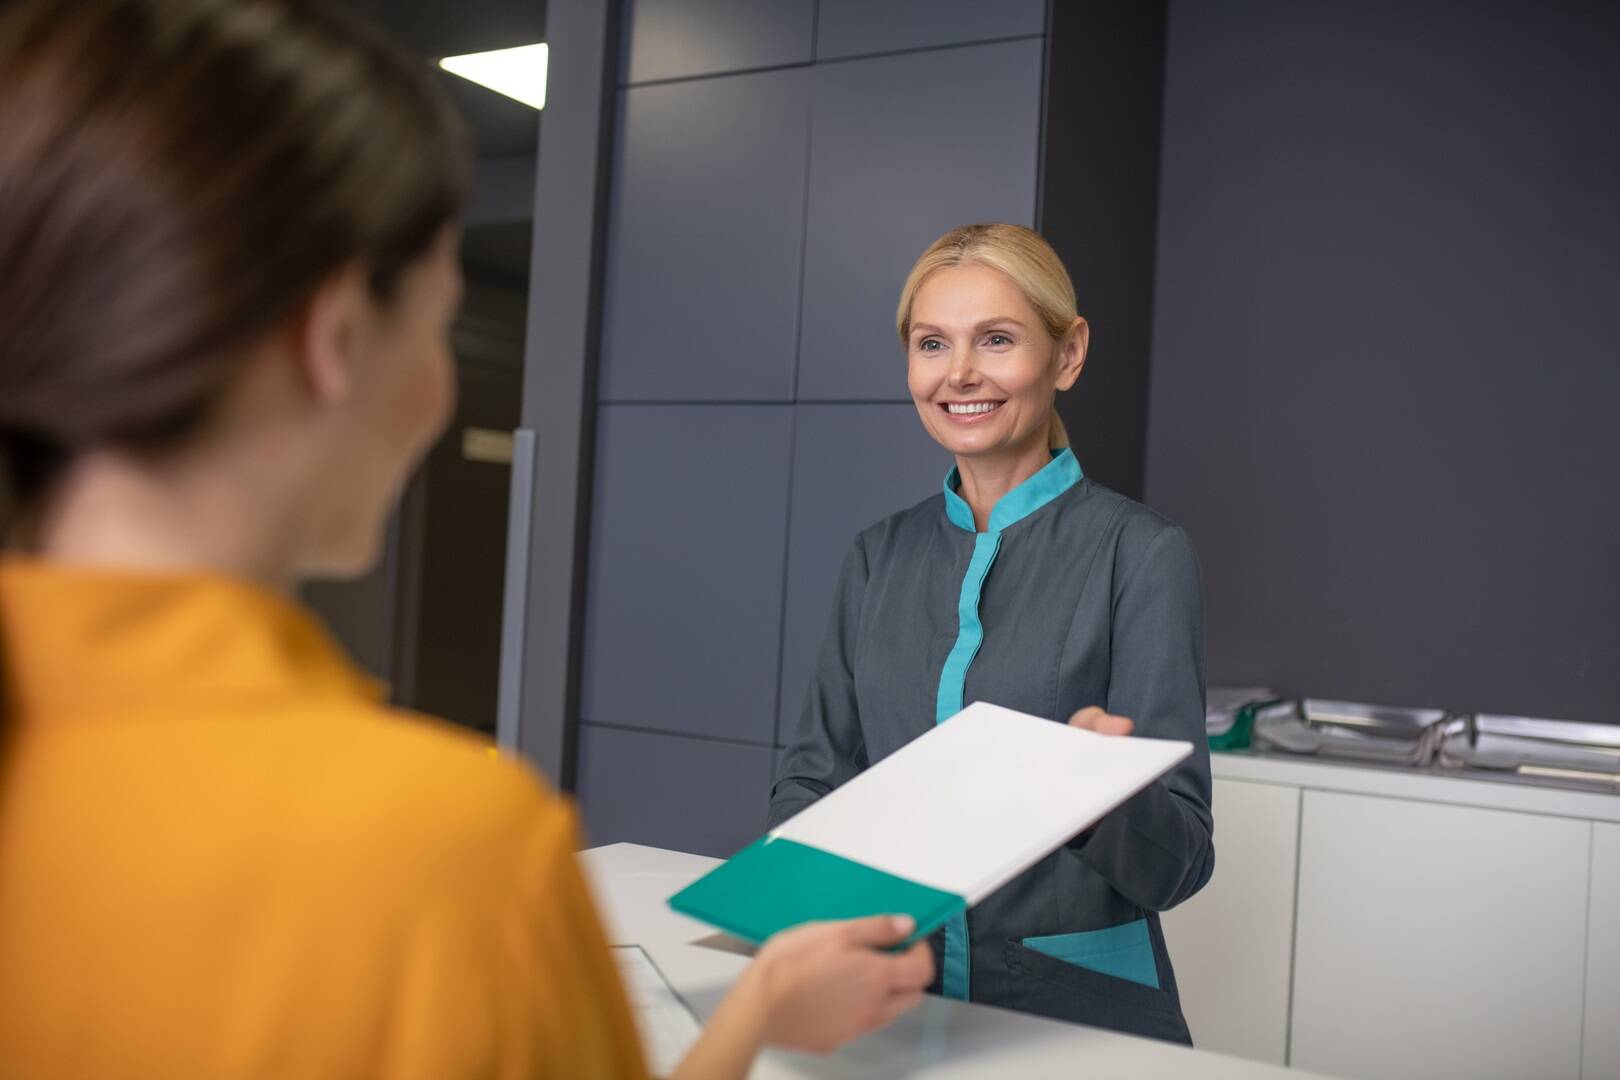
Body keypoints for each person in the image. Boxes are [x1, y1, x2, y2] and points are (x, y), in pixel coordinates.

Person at [0, 1, 931, 1076]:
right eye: (438, 322)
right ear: (336, 337)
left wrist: (757, 1002)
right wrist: (758, 1003)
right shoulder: (443, 850)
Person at [770, 223, 1213, 1045]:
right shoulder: (877, 557)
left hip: (1080, 1022)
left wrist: (1094, 796)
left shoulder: (1141, 554)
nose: (960, 373)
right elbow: (813, 781)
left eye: (997, 340)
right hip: (893, 1007)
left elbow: (1182, 861)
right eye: (932, 343)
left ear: (1068, 353)